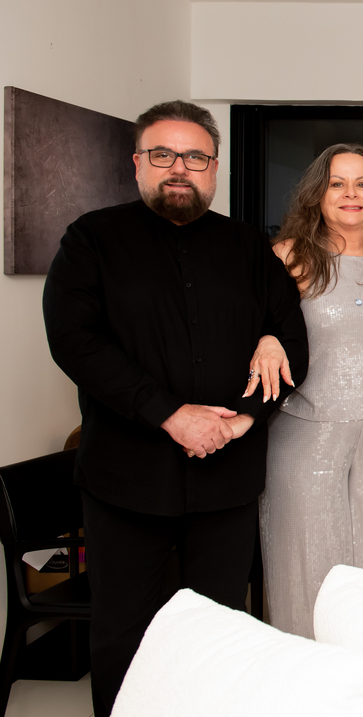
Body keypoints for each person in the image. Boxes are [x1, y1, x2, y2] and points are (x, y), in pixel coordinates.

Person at [42, 100, 309, 717]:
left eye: (194, 156)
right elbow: (75, 342)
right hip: (126, 479)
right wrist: (171, 415)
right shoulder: (91, 239)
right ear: (137, 163)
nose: (179, 168)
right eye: (163, 154)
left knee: (218, 632)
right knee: (125, 634)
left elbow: (292, 339)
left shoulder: (249, 246)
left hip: (227, 480)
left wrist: (242, 419)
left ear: (214, 168)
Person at [253, 144, 363, 639]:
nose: (351, 193)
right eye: (337, 183)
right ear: (318, 194)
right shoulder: (286, 256)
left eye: (362, 184)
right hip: (307, 432)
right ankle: (311, 678)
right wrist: (266, 338)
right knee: (306, 562)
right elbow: (253, 329)